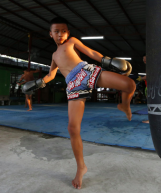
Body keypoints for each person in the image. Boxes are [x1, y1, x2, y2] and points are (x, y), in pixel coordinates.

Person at [22, 17, 136, 189]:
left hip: (85, 71)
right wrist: (37, 84)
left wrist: (108, 60)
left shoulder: (72, 42)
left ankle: (124, 105)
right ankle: (81, 167)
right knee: (72, 128)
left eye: (63, 31)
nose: (60, 34)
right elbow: (51, 75)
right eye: (56, 31)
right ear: (50, 34)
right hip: (73, 84)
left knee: (129, 84)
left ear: (68, 33)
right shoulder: (53, 56)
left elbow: (92, 54)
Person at [137, 54, 149, 124]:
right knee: (149, 103)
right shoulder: (148, 66)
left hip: (151, 87)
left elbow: (149, 75)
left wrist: (141, 78)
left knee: (151, 103)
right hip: (148, 86)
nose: (144, 61)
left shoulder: (151, 66)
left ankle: (151, 119)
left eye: (145, 59)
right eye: (143, 59)